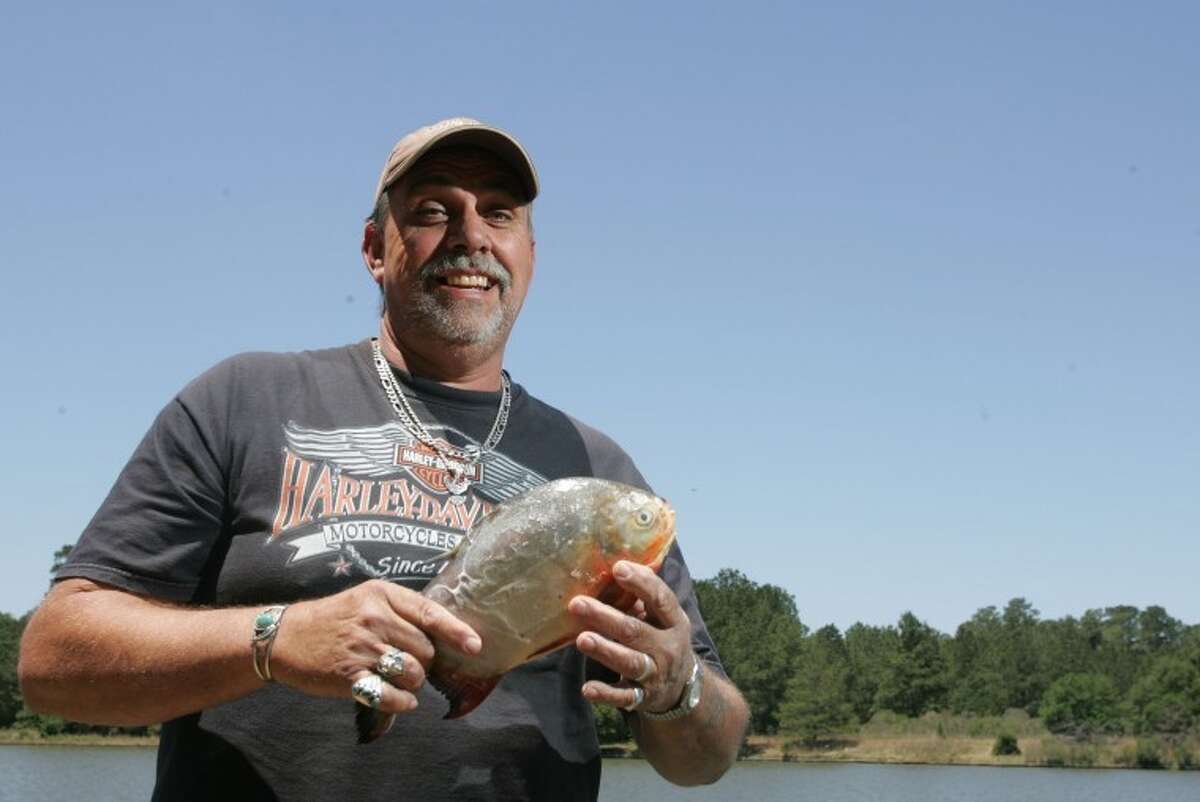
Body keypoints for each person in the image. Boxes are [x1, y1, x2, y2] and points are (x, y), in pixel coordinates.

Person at [18, 117, 749, 801]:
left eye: (499, 213)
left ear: (529, 255)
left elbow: (707, 755)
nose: (472, 237)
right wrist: (274, 639)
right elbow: (52, 666)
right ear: (375, 249)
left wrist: (678, 687)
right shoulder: (245, 398)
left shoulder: (597, 470)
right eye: (433, 210)